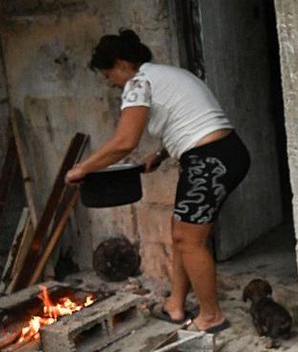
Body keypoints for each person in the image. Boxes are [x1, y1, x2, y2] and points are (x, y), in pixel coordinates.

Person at [65, 30, 250, 334]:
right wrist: (162, 154)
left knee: (190, 241)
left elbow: (124, 142)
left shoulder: (138, 83)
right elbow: (189, 117)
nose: (110, 82)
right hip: (220, 154)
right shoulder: (166, 74)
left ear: (122, 64)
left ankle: (211, 316)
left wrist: (82, 168)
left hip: (209, 160)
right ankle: (175, 305)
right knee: (181, 233)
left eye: (108, 74)